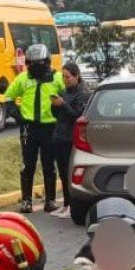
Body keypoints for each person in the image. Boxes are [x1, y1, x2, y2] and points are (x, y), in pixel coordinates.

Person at [5, 44, 65, 214]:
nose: (36, 68)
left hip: (49, 127)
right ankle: (26, 201)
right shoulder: (22, 79)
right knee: (28, 165)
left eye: (40, 64)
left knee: (49, 165)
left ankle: (50, 200)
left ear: (47, 63)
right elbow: (8, 97)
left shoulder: (57, 78)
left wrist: (61, 112)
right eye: (32, 64)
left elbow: (68, 96)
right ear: (28, 64)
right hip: (29, 128)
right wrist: (18, 116)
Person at [49, 62, 91, 219]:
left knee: (69, 173)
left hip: (71, 139)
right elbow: (57, 115)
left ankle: (72, 205)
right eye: (63, 77)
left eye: (67, 77)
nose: (65, 80)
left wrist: (64, 104)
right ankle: (66, 203)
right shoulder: (63, 92)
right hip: (59, 136)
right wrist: (55, 105)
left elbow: (77, 116)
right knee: (62, 173)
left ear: (76, 76)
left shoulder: (83, 94)